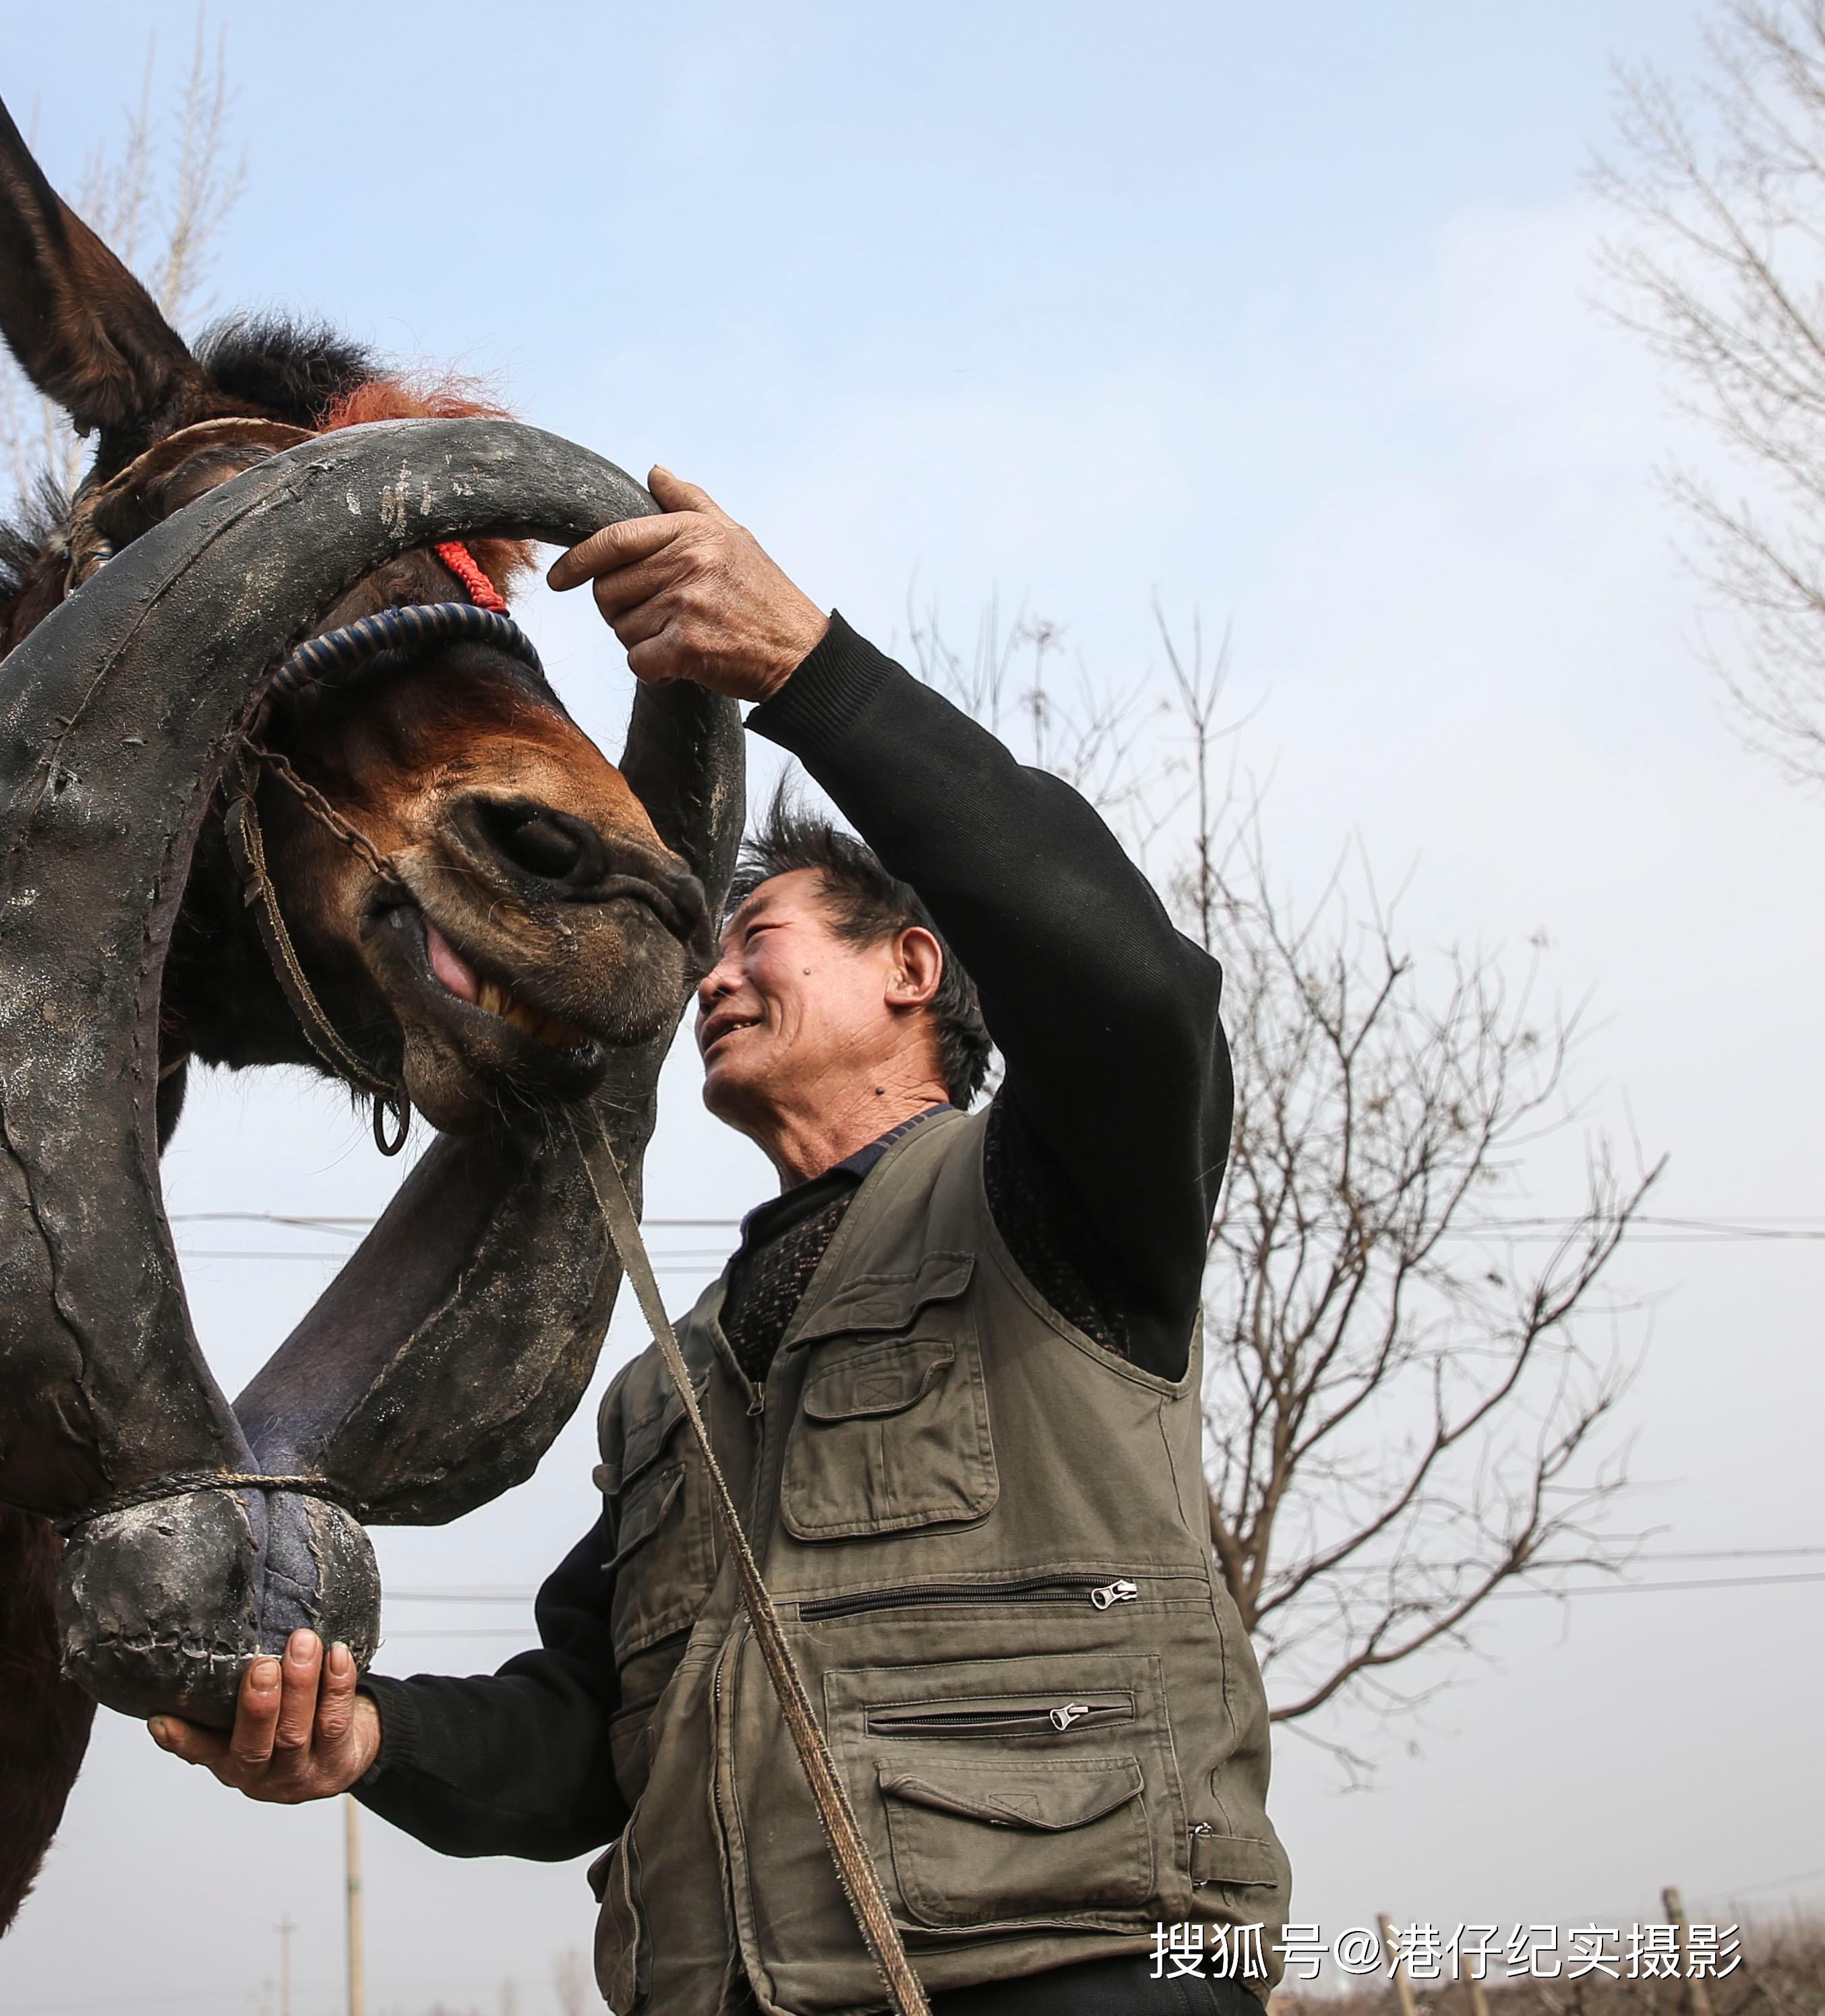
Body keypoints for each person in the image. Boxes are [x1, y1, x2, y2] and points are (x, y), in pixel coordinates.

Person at [150, 471, 1291, 2016]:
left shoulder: (1062, 1205)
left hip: (1071, 1976)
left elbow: (1136, 986)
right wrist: (368, 1739)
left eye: (757, 940)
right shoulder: (678, 1383)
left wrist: (805, 668)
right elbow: (582, 1727)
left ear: (913, 965)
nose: (710, 981)